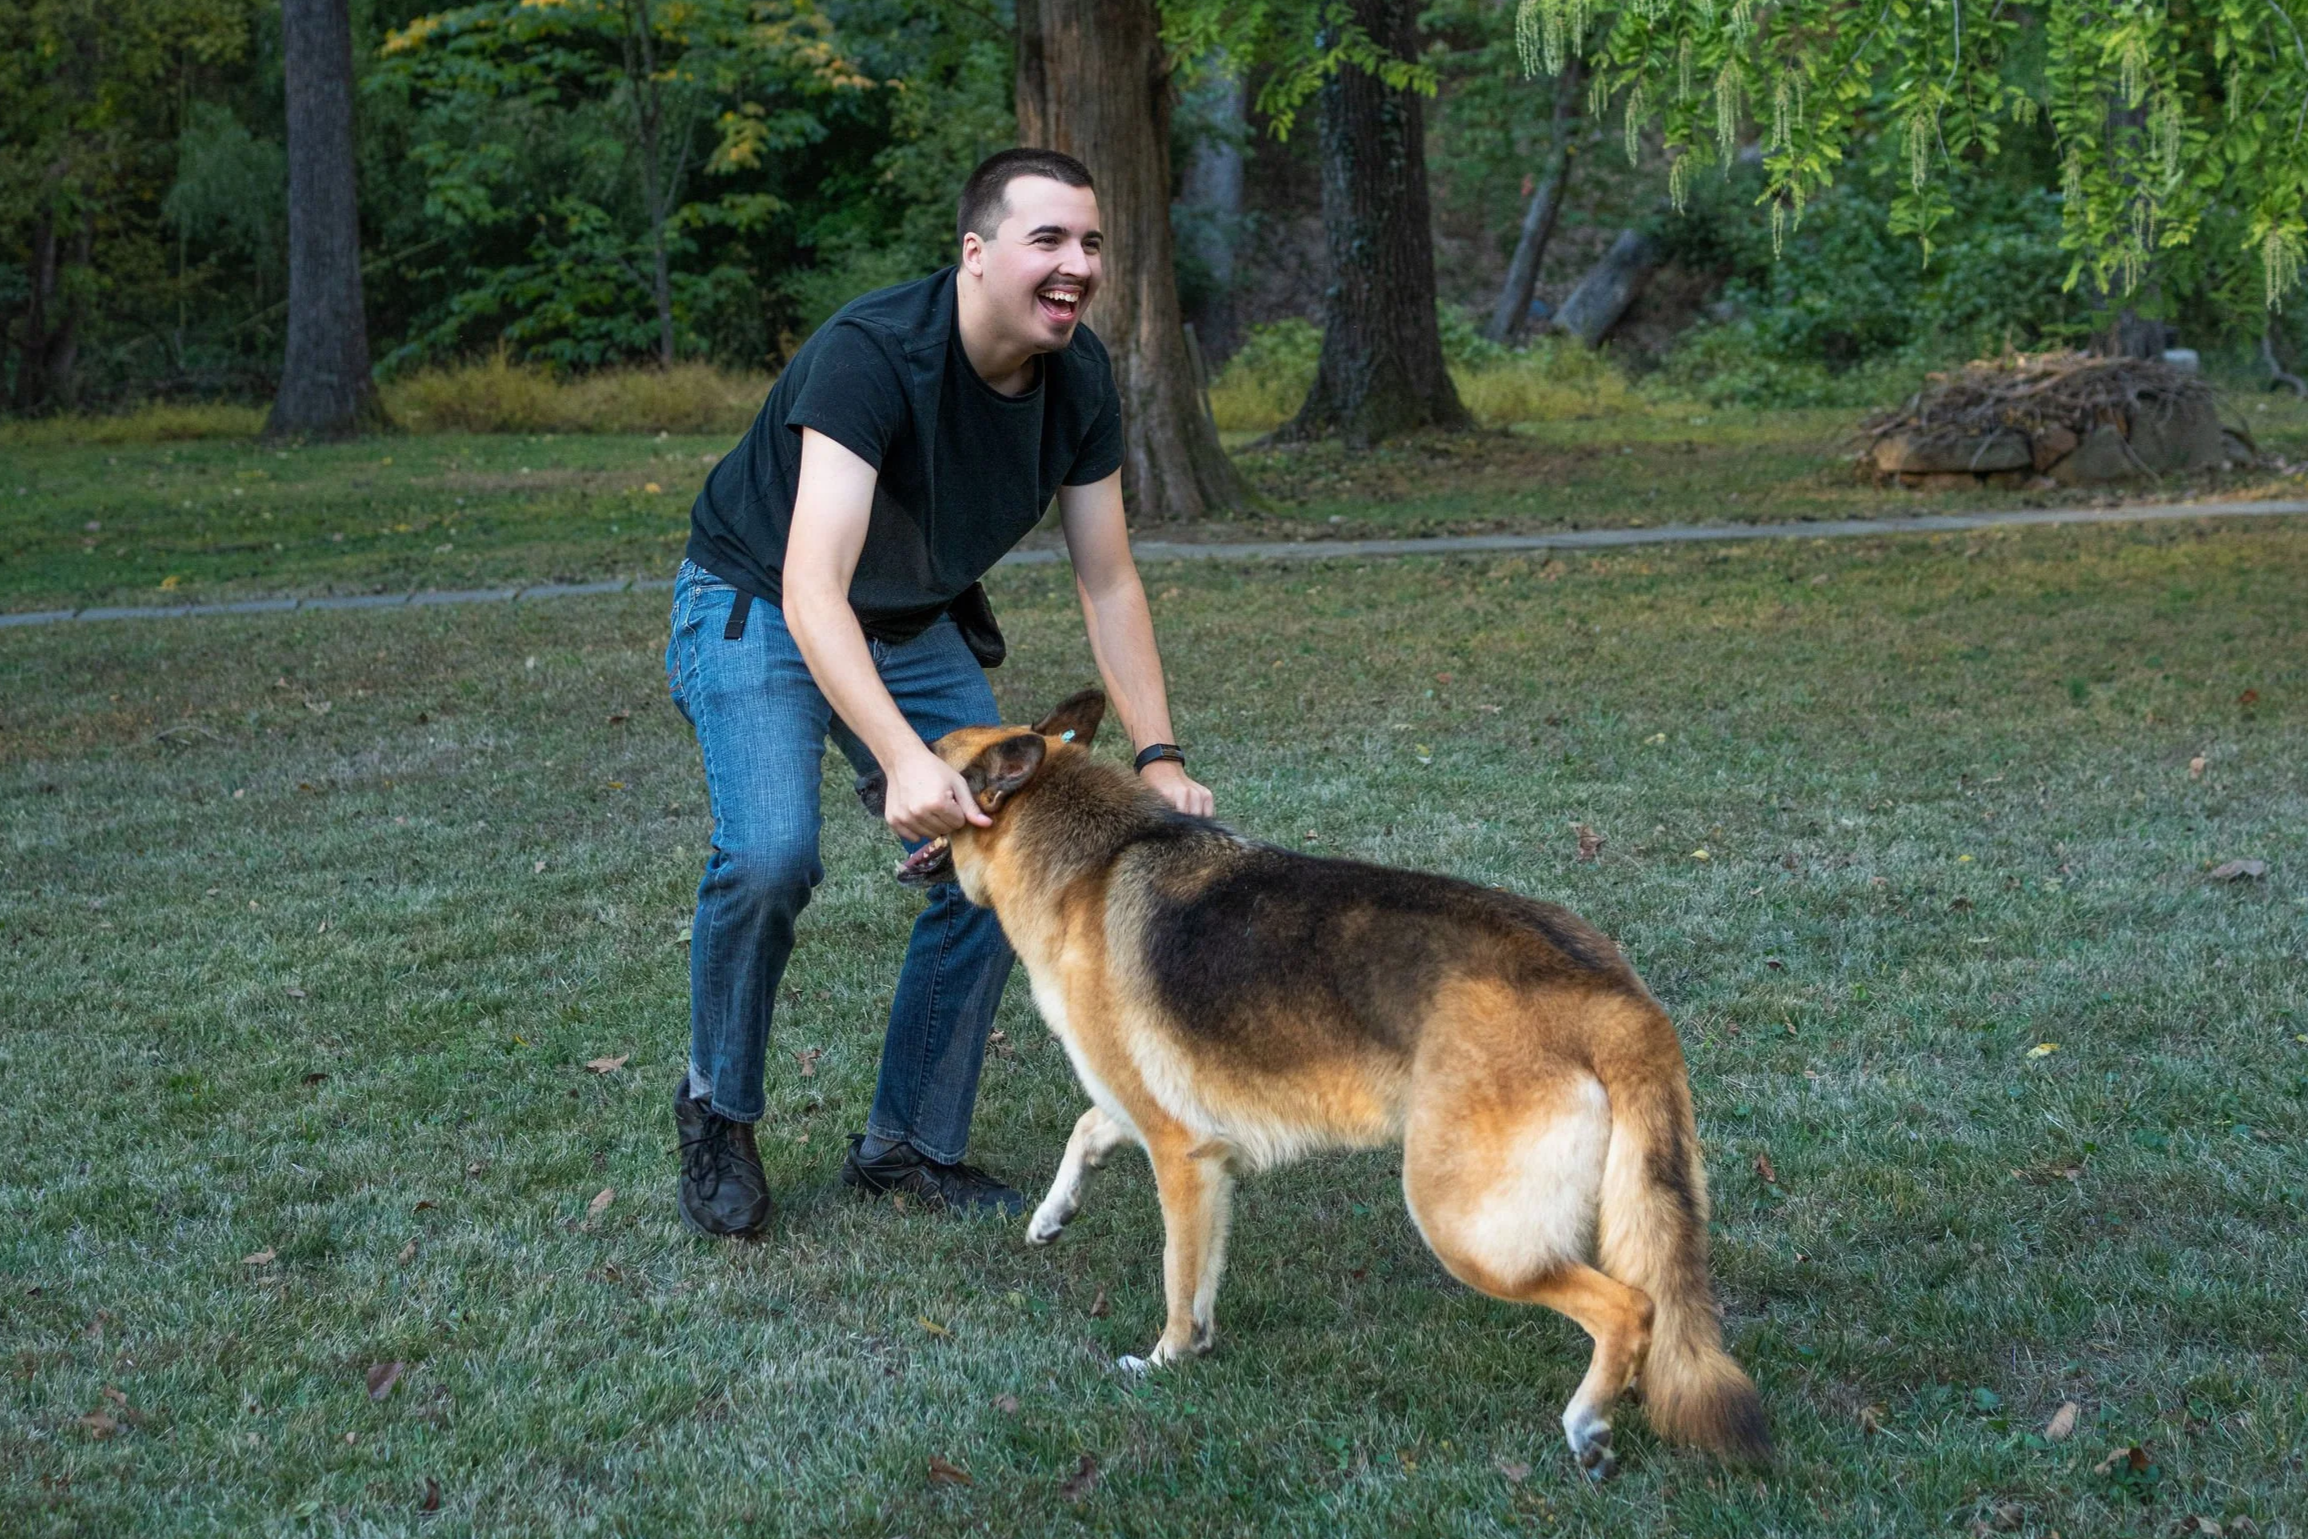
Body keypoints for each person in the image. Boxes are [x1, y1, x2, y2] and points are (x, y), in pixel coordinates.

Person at [662, 148, 1214, 1238]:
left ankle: (907, 1141)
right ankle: (717, 1109)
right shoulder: (874, 356)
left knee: (1014, 845)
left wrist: (1158, 755)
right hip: (758, 603)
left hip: (908, 619)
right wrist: (905, 759)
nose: (1076, 266)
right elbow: (810, 587)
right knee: (773, 853)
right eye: (1046, 240)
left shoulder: (1081, 380)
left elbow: (1107, 579)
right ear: (975, 254)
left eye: (1091, 243)